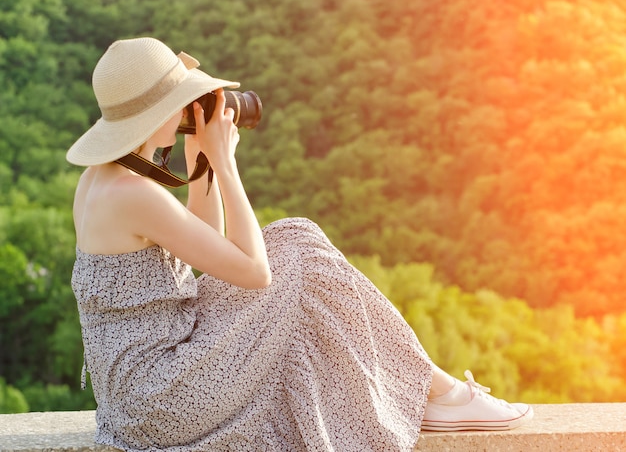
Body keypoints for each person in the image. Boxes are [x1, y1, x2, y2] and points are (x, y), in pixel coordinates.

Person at [67, 37, 533, 452]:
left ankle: (428, 391)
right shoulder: (134, 194)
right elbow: (253, 272)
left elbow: (202, 252)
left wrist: (202, 163)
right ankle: (440, 394)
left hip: (137, 396)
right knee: (302, 253)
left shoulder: (103, 181)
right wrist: (227, 167)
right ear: (158, 112)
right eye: (181, 101)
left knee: (293, 236)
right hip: (160, 402)